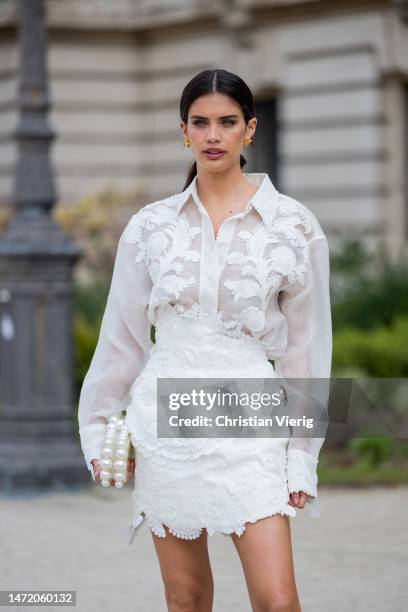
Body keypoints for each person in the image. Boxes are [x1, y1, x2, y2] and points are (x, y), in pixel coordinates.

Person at [77, 68, 332, 612]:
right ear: (183, 131)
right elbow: (121, 338)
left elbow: (306, 350)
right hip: (166, 425)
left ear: (250, 129)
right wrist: (99, 428)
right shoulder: (151, 227)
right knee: (186, 598)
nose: (213, 135)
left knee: (278, 599)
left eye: (227, 122)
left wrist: (302, 457)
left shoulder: (293, 226)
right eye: (201, 123)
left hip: (252, 425)